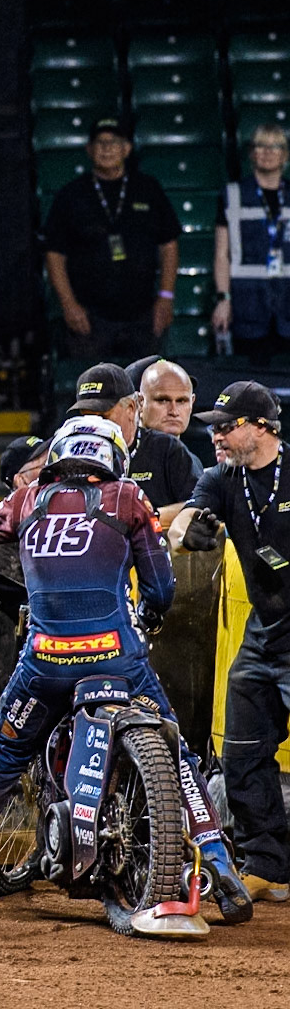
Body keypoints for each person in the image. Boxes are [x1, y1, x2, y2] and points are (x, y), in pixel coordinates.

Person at [0, 416, 252, 927]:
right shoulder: (127, 498)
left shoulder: (30, 498)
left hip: (45, 661)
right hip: (117, 658)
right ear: (113, 455)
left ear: (59, 455)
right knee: (177, 752)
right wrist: (150, 619)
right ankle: (219, 863)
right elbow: (161, 589)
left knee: (4, 748)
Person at [173, 381, 290, 902]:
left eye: (227, 425)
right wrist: (187, 530)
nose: (215, 435)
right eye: (213, 427)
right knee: (242, 750)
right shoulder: (223, 479)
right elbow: (185, 521)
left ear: (263, 428)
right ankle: (268, 864)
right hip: (264, 635)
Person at [43, 117, 181, 360]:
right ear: (89, 149)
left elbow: (169, 244)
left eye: (113, 142)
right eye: (100, 142)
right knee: (93, 392)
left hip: (142, 315)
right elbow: (54, 254)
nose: (106, 148)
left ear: (126, 149)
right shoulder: (71, 195)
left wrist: (166, 297)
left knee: (144, 388)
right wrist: (69, 305)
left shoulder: (147, 189)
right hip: (90, 316)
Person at [68, 362, 198, 524]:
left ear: (131, 408)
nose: (95, 425)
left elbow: (198, 505)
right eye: (87, 416)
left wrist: (146, 516)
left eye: (103, 416)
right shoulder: (70, 450)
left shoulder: (166, 449)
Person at [214, 123, 290, 363]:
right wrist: (223, 299)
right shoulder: (233, 194)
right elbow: (221, 254)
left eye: (275, 146)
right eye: (261, 145)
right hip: (247, 304)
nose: (267, 152)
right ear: (252, 153)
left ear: (285, 155)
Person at [130, 356, 212, 470]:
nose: (174, 411)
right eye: (162, 400)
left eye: (181, 401)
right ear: (139, 402)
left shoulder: (192, 462)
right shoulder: (119, 459)